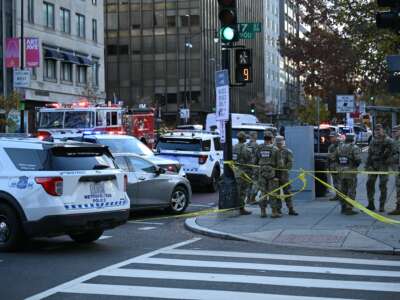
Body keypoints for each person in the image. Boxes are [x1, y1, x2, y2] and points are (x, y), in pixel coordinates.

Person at [366, 124, 394, 212]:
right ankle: (371, 204)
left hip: (383, 165)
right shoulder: (373, 140)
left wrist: (388, 161)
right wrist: (367, 165)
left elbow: (393, 153)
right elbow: (370, 153)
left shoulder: (388, 141)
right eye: (376, 130)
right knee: (369, 184)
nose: (377, 132)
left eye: (379, 130)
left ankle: (382, 205)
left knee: (383, 185)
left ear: (383, 130)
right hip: (373, 165)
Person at [255, 131, 281, 218]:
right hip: (272, 173)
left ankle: (263, 211)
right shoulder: (275, 149)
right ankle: (274, 212)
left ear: (264, 138)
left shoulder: (259, 148)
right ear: (272, 139)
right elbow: (279, 164)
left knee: (263, 192)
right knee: (272, 192)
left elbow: (255, 160)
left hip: (261, 172)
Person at [334, 133, 361, 215]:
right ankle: (349, 208)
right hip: (351, 172)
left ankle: (343, 207)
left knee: (343, 190)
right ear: (353, 139)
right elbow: (358, 160)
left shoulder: (339, 147)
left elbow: (335, 158)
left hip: (341, 171)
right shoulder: (354, 147)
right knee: (351, 190)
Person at [275, 136, 298, 216]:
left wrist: (284, 169)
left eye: (280, 143)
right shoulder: (274, 151)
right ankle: (278, 209)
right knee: (276, 193)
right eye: (277, 143)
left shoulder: (287, 151)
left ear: (283, 143)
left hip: (284, 174)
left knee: (287, 192)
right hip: (275, 174)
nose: (279, 145)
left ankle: (290, 209)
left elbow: (290, 163)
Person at [232, 131, 252, 215]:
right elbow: (248, 158)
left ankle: (238, 207)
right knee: (243, 191)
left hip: (236, 171)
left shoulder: (234, 147)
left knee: (238, 190)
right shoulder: (245, 148)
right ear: (243, 138)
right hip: (244, 172)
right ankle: (241, 208)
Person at [389, 125, 400, 215]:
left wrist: (392, 158)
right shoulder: (395, 141)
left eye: (395, 131)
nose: (393, 133)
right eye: (392, 132)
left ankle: (399, 208)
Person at [246, 131, 259, 204]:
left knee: (249, 183)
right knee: (256, 183)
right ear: (254, 136)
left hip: (247, 167)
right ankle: (252, 198)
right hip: (254, 167)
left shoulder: (247, 145)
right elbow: (258, 156)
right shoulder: (256, 145)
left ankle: (248, 198)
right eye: (256, 135)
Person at [327, 132, 340, 201]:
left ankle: (341, 195)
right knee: (335, 182)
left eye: (332, 137)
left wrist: (331, 156)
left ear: (336, 137)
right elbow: (329, 157)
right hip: (332, 166)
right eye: (330, 137)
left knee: (340, 182)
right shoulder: (331, 146)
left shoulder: (340, 145)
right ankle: (337, 195)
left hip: (339, 166)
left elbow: (334, 156)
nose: (331, 138)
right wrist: (328, 166)